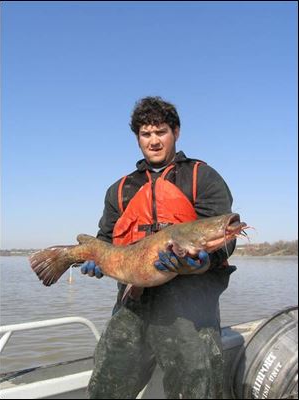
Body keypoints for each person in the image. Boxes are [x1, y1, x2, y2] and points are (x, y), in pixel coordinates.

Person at [81, 96, 236, 399]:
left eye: (160, 132)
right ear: (138, 138)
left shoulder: (201, 177)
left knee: (196, 389)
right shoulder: (120, 188)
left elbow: (223, 244)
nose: (153, 141)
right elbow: (106, 240)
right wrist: (97, 258)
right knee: (106, 387)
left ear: (176, 132)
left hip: (190, 309)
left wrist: (201, 263)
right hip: (132, 305)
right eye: (145, 134)